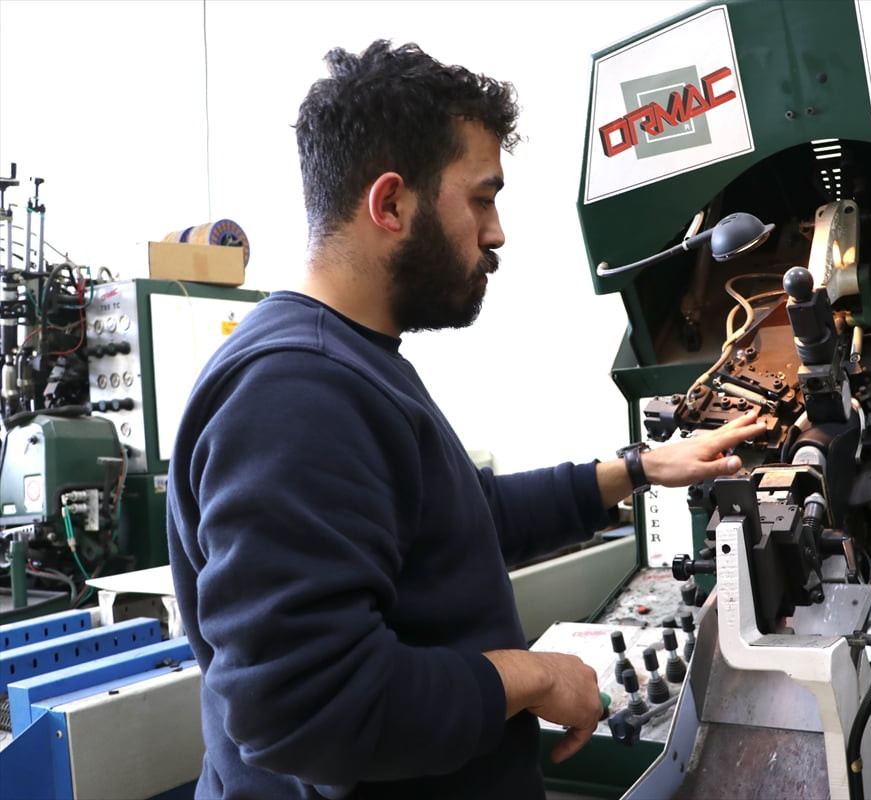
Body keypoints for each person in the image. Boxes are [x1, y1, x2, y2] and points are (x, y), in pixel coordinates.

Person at [166, 40, 765, 800]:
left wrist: (643, 468)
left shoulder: (349, 363)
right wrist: (531, 676)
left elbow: (461, 521)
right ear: (390, 204)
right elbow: (302, 710)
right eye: (482, 198)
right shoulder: (297, 393)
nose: (497, 232)